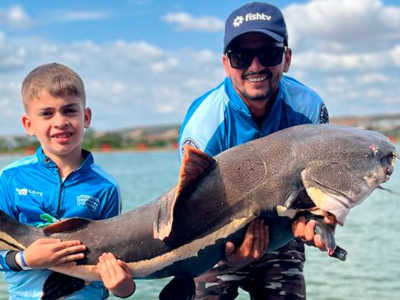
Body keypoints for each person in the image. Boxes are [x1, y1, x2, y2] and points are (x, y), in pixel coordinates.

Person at [179, 2, 330, 300]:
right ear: (225, 63)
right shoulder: (203, 126)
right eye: (241, 56)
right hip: (215, 238)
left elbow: (319, 190)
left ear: (286, 59)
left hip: (282, 235)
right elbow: (191, 214)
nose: (256, 66)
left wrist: (318, 219)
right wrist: (228, 254)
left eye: (269, 53)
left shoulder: (310, 110)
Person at [0, 63, 135, 299]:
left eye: (69, 110)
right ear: (28, 124)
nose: (60, 121)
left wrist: (123, 287)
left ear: (86, 117)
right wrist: (26, 259)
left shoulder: (105, 187)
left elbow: (116, 263)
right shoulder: (10, 178)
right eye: (46, 113)